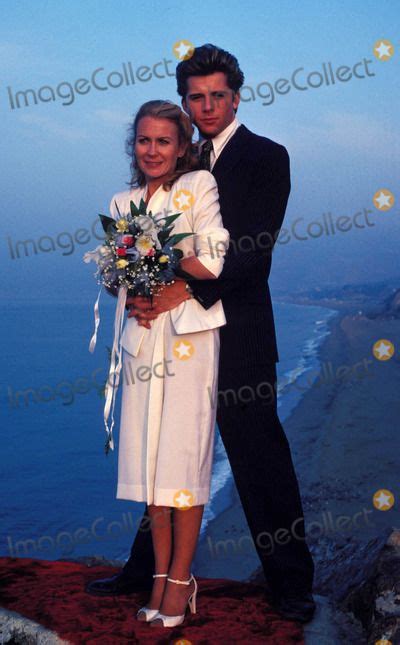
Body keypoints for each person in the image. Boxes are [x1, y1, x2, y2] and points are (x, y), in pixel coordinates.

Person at [86, 44, 316, 624]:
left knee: (259, 457)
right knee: (165, 451)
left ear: (236, 97)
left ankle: (291, 583)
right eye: (197, 97)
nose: (208, 106)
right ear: (185, 101)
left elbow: (252, 253)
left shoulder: (266, 157)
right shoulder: (175, 162)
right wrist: (139, 293)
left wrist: (181, 289)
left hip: (238, 333)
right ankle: (148, 572)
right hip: (167, 336)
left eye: (218, 95)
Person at [102, 99, 229, 628]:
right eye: (143, 141)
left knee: (181, 459)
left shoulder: (199, 187)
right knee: (150, 464)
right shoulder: (122, 199)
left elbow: (215, 260)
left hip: (188, 342)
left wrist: (163, 263)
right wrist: (134, 291)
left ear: (181, 147)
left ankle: (181, 580)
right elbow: (117, 275)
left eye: (163, 141)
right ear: (133, 146)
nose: (152, 151)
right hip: (142, 338)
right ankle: (157, 574)